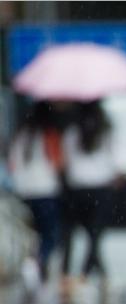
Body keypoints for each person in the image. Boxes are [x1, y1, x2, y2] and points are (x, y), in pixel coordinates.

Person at [60, 100, 126, 300]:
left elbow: (65, 162)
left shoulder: (72, 132)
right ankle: (84, 276)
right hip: (100, 189)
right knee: (95, 235)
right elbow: (121, 163)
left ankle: (84, 275)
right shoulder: (108, 132)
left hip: (76, 189)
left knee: (81, 234)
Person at [6, 102, 64, 288]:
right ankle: (38, 261)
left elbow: (12, 163)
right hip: (45, 190)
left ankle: (32, 261)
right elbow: (57, 162)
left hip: (24, 190)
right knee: (50, 234)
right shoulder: (49, 134)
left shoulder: (21, 135)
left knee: (33, 231)